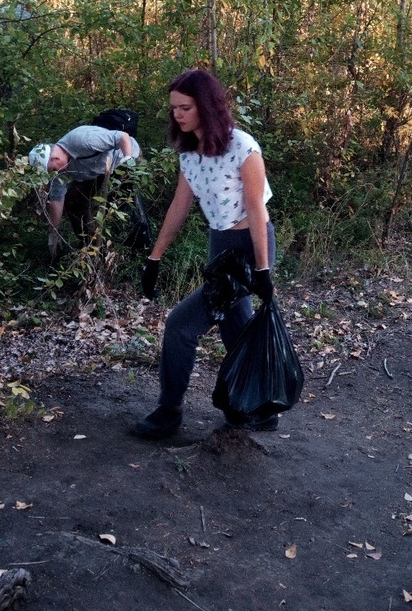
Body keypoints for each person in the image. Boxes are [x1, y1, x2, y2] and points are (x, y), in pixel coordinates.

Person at [133, 69, 277, 440]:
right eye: (174, 109)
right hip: (220, 246)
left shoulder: (243, 148)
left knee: (181, 325)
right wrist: (155, 257)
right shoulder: (190, 153)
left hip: (248, 247)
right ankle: (257, 407)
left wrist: (262, 269)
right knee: (235, 329)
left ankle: (169, 412)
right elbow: (180, 206)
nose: (177, 115)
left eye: (185, 107)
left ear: (207, 107)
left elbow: (257, 209)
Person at [29, 125, 140, 257]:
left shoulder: (83, 140)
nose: (56, 173)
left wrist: (128, 163)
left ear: (55, 159)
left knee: (118, 205)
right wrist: (53, 233)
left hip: (123, 160)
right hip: (96, 171)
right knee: (73, 201)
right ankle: (92, 247)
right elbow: (56, 199)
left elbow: (122, 137)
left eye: (53, 169)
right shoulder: (60, 170)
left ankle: (134, 248)